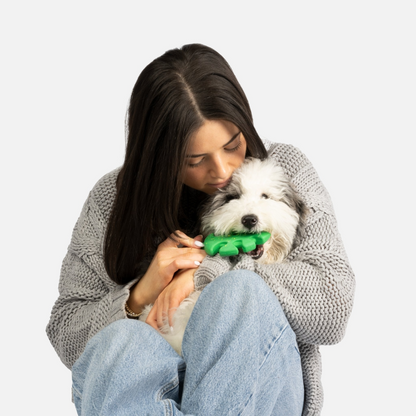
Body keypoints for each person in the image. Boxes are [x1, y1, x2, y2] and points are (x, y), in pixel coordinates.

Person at [46, 43, 355, 416]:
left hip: (261, 390)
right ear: (159, 156)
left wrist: (203, 274)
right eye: (196, 160)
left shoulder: (285, 167)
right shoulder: (111, 199)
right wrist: (140, 295)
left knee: (239, 294)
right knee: (120, 344)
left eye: (233, 145)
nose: (223, 171)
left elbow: (333, 302)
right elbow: (66, 331)